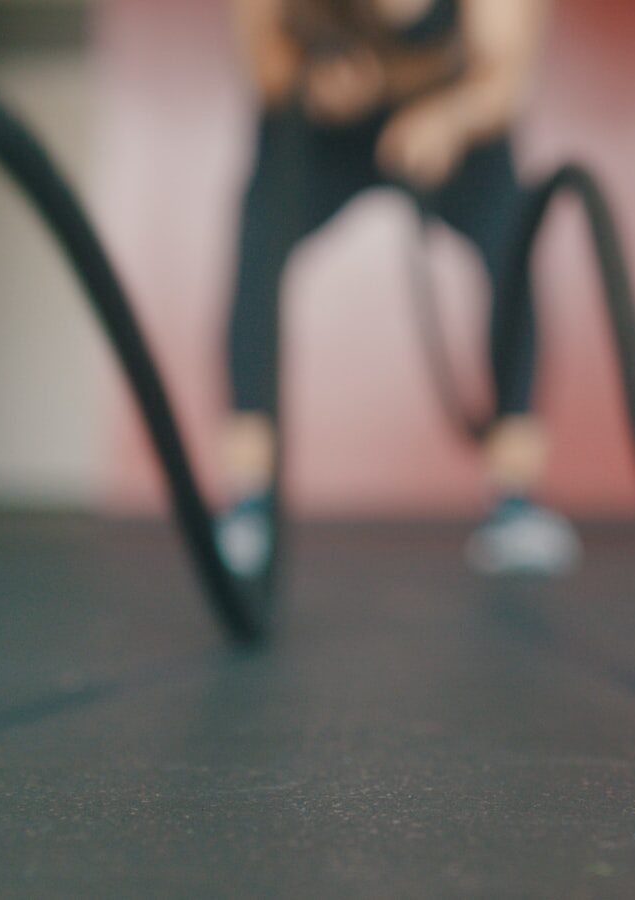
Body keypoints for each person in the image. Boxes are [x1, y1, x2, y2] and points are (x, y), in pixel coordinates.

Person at [216, 0, 580, 577]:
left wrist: (449, 119)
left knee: (513, 248)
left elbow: (506, 83)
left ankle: (515, 502)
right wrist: (316, 86)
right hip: (320, 129)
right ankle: (249, 500)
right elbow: (267, 66)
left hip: (455, 121)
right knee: (257, 241)